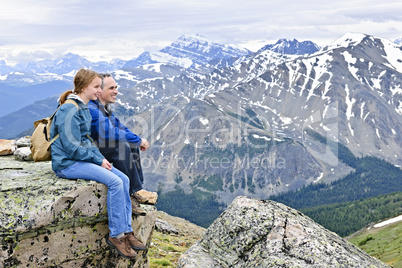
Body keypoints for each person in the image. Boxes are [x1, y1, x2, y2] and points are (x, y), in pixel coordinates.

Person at [50, 68, 146, 259]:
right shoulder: (69, 109)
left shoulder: (83, 107)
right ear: (84, 87)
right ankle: (116, 235)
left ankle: (126, 230)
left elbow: (86, 140)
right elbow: (71, 146)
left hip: (78, 159)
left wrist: (100, 159)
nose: (98, 91)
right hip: (67, 163)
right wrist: (96, 159)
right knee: (115, 182)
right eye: (96, 86)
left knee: (124, 179)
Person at [88, 73, 157, 216]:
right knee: (121, 147)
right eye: (111, 88)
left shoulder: (104, 107)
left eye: (116, 87)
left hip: (98, 146)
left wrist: (137, 140)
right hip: (89, 151)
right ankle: (128, 196)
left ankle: (134, 190)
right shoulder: (92, 109)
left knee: (131, 144)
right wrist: (137, 140)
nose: (116, 91)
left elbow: (119, 127)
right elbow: (109, 132)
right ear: (100, 91)